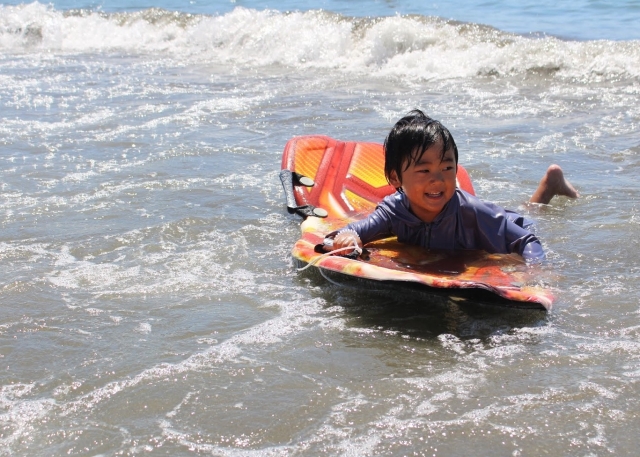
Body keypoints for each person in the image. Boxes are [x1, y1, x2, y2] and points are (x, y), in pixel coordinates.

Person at [328, 109, 579, 263]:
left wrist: (535, 274)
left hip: (508, 223)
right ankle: (549, 184)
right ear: (395, 179)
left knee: (531, 215)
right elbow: (360, 230)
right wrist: (349, 236)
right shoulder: (393, 211)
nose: (438, 179)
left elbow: (526, 240)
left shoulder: (473, 214)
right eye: (424, 170)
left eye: (447, 168)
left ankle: (549, 187)